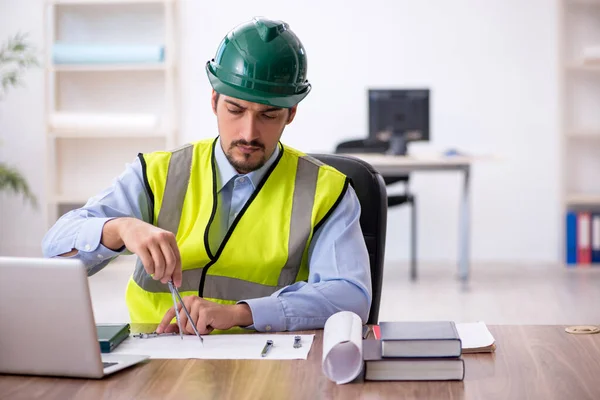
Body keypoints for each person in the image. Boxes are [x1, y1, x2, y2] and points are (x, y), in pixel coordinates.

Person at [42, 17, 371, 335]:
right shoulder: (158, 173)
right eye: (235, 110)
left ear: (291, 114)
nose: (248, 133)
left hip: (267, 363)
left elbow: (351, 297)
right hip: (154, 360)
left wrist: (241, 314)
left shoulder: (327, 190)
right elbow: (54, 250)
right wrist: (119, 228)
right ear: (214, 100)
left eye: (268, 115)